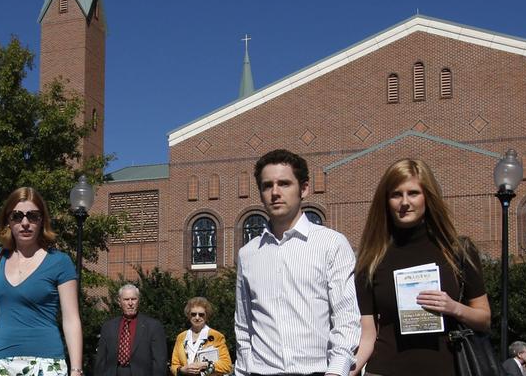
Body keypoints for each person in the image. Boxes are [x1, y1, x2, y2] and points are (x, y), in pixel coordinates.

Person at [351, 159, 491, 376]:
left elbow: (484, 319)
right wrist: (346, 370)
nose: (404, 202)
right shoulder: (371, 260)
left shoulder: (457, 251)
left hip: (446, 368)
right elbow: (368, 334)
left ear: (428, 196)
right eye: (396, 194)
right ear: (386, 200)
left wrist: (454, 308)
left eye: (413, 193)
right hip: (385, 370)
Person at [234, 149, 360, 376]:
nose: (275, 192)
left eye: (284, 183)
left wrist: (337, 371)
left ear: (304, 188)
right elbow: (244, 326)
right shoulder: (248, 254)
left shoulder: (331, 244)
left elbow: (346, 318)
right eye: (267, 185)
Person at [0, 187, 83, 376]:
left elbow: (71, 319)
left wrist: (76, 369)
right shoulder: (0, 257)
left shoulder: (59, 262)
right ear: (7, 222)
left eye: (33, 216)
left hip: (46, 363)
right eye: (17, 216)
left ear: (42, 221)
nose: (25, 223)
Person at [94, 283, 168, 375]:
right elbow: (101, 359)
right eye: (126, 299)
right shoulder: (108, 327)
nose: (130, 303)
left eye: (133, 299)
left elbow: (159, 361)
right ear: (119, 302)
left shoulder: (153, 326)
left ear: (138, 301)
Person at [171, 297, 232, 376]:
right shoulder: (181, 337)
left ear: (206, 316)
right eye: (193, 314)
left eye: (201, 314)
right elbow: (174, 365)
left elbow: (227, 365)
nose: (197, 317)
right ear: (189, 316)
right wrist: (182, 370)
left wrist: (206, 365)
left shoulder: (216, 336)